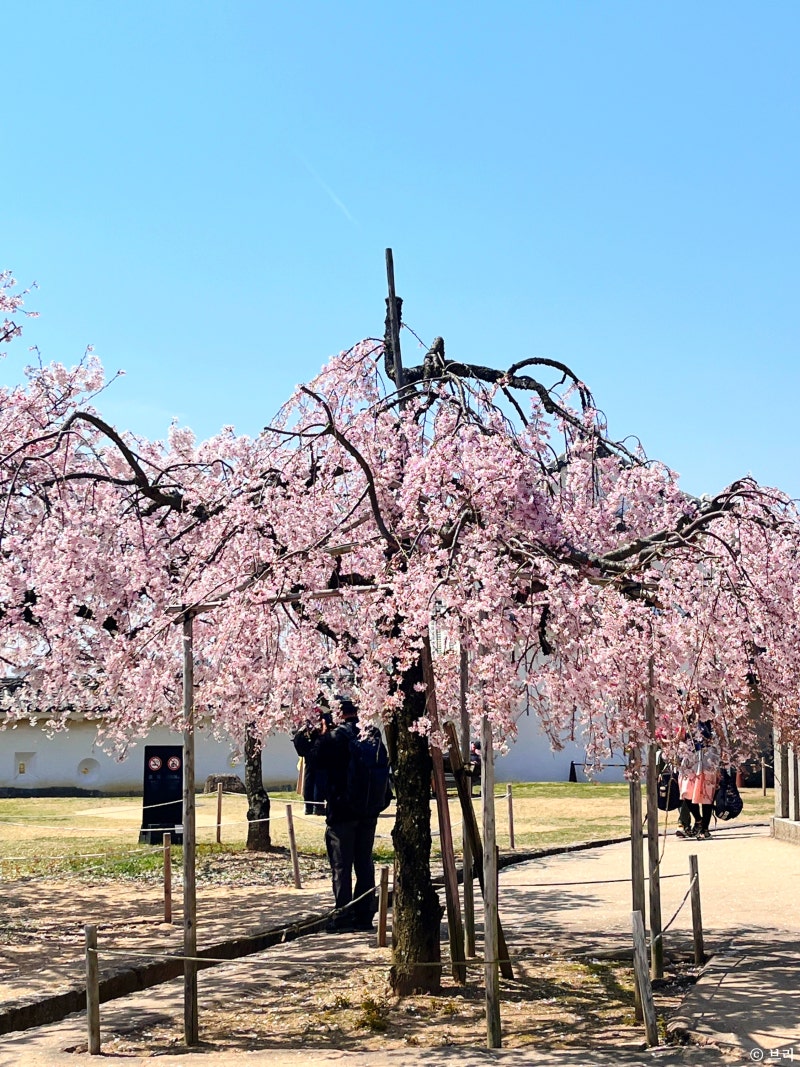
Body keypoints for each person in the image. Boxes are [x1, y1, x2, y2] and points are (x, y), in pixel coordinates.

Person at [292, 698, 389, 932]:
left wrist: (316, 734)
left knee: (341, 864)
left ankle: (342, 916)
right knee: (364, 862)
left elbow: (310, 756)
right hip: (369, 809)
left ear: (337, 715)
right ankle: (365, 915)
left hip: (342, 809)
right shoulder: (372, 732)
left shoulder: (334, 738)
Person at [676, 716, 720, 841]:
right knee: (686, 790)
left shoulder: (711, 719)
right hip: (690, 758)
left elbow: (718, 737)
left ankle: (705, 828)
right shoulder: (686, 716)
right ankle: (698, 820)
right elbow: (680, 738)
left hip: (708, 758)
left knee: (706, 794)